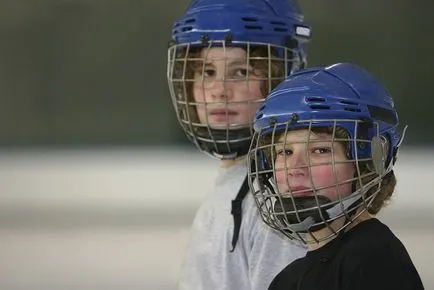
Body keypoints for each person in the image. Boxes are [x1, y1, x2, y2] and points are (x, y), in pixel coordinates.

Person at [167, 0, 311, 289]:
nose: (220, 90)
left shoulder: (275, 198)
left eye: (242, 72)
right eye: (207, 72)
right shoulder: (234, 182)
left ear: (280, 79)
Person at [247, 62, 424, 290]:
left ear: (367, 164)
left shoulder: (372, 260)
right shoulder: (288, 280)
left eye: (320, 150)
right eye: (285, 152)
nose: (295, 167)